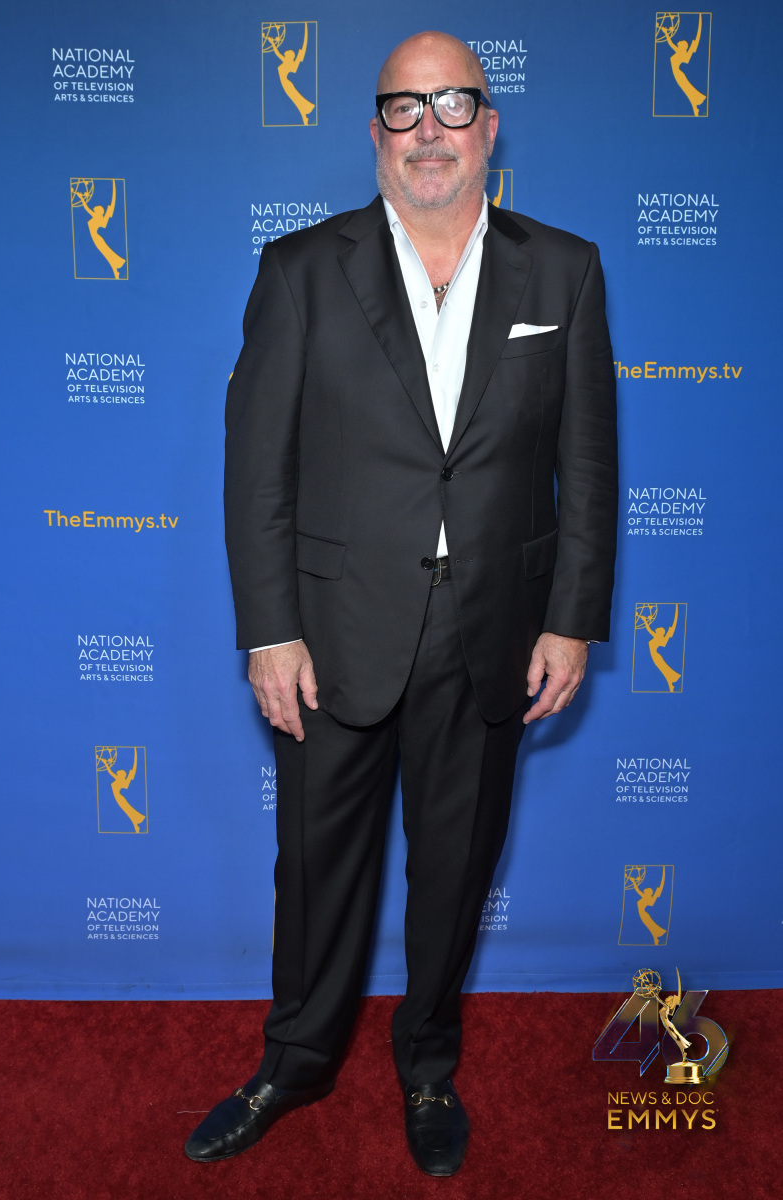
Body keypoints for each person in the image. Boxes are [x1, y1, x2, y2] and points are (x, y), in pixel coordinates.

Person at [186, 30, 617, 1177]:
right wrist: (270, 630)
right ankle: (295, 1061)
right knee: (316, 869)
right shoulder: (299, 270)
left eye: (454, 103)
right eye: (404, 107)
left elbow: (588, 461)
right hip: (332, 636)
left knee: (457, 870)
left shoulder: (564, 270)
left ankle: (428, 1063)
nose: (430, 129)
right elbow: (256, 471)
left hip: (494, 631)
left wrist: (571, 618)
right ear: (374, 132)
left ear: (490, 128)